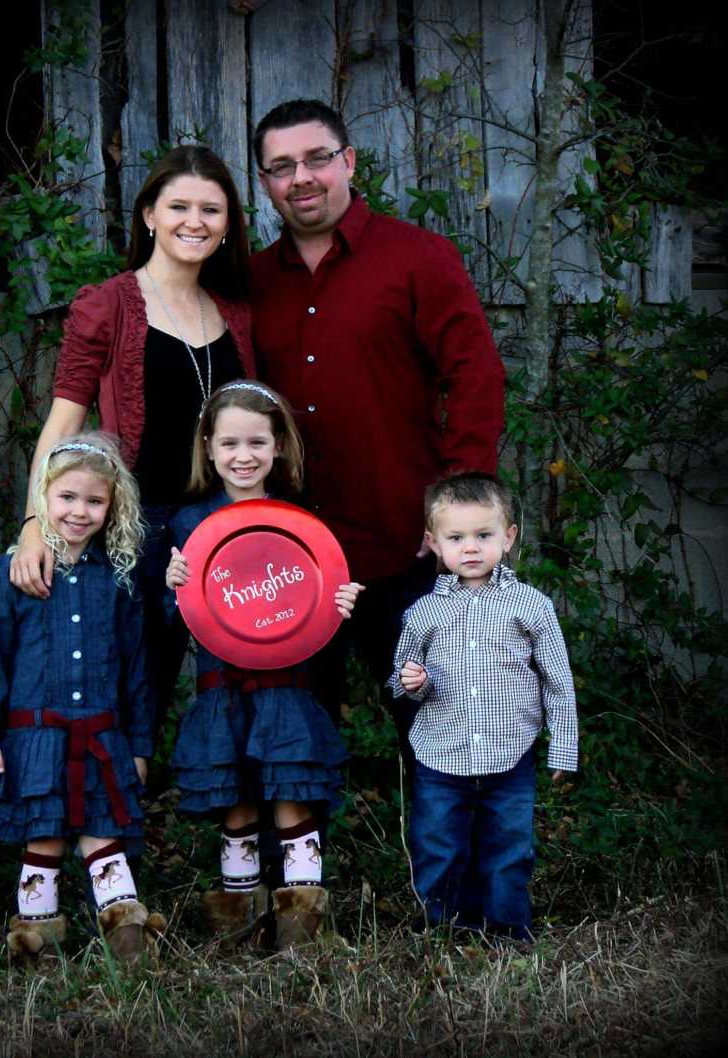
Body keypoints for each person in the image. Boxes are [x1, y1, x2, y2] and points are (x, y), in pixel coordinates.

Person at [249, 99, 507, 755]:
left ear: (349, 161)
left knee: (438, 730)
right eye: (281, 166)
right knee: (296, 737)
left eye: (316, 159)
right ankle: (304, 858)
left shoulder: (418, 258)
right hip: (292, 557)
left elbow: (475, 376)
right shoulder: (251, 282)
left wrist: (457, 510)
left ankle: (453, 859)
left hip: (402, 547)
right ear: (265, 182)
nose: (301, 177)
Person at [9, 146, 256, 737]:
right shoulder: (109, 304)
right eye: (178, 206)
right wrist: (33, 524)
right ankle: (109, 817)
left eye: (211, 210)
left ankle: (234, 813)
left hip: (219, 522)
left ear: (228, 225)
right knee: (125, 678)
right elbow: (64, 423)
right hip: (137, 523)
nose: (194, 221)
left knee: (237, 675)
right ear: (149, 214)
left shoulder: (235, 311)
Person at [165, 381, 364, 948]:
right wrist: (171, 588)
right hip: (221, 688)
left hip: (286, 690)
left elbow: (313, 614)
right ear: (208, 447)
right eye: (229, 443)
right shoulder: (188, 524)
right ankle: (238, 933)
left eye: (257, 442)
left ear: (278, 447)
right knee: (236, 807)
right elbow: (176, 620)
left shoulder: (299, 524)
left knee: (290, 797)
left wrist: (338, 607)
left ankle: (303, 935)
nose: (243, 456)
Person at [0, 433, 158, 963]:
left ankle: (130, 951)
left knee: (104, 837)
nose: (79, 511)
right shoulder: (11, 573)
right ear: (42, 498)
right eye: (67, 498)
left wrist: (139, 745)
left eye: (94, 501)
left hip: (102, 735)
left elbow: (137, 668)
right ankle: (36, 954)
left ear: (112, 507)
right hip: (35, 740)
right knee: (43, 841)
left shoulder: (119, 579)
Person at [388, 473, 578, 941]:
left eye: (484, 535)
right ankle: (441, 927)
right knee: (438, 844)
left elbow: (557, 681)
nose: (470, 548)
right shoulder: (423, 614)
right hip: (440, 754)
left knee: (509, 846)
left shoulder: (531, 606)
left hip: (509, 754)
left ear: (509, 537)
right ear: (434, 543)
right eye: (456, 538)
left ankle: (508, 929)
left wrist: (564, 749)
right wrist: (414, 683)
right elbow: (399, 681)